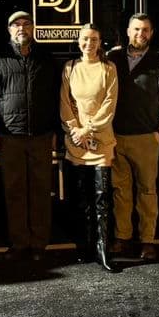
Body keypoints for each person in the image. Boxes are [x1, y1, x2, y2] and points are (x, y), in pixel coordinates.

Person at [0, 11, 59, 261]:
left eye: (26, 24)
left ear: (33, 28)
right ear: (9, 30)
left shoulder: (46, 58)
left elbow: (55, 96)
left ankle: (39, 244)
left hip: (41, 134)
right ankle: (19, 243)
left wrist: (55, 131)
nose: (21, 28)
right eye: (16, 25)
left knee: (40, 190)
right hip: (11, 135)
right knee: (14, 191)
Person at [108, 13, 159, 260]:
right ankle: (122, 238)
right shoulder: (112, 59)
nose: (141, 34)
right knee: (120, 191)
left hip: (147, 137)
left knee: (147, 192)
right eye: (136, 29)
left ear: (151, 33)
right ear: (128, 31)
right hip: (116, 137)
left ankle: (147, 240)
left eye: (145, 30)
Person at [60, 23, 119, 272]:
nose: (89, 43)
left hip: (101, 141)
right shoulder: (70, 68)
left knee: (102, 198)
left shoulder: (108, 68)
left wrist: (89, 128)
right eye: (85, 39)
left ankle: (103, 250)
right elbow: (65, 102)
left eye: (94, 39)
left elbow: (109, 104)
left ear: (100, 42)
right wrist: (75, 130)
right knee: (81, 199)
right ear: (79, 41)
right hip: (76, 143)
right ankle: (84, 247)